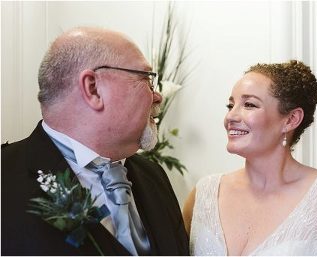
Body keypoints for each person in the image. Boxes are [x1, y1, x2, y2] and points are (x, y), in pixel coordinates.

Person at [1, 27, 189, 255]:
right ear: (93, 89)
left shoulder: (154, 175)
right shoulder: (6, 177)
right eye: (146, 79)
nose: (157, 96)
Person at [183, 60, 317, 256]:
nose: (230, 116)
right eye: (230, 105)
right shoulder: (204, 194)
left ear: (291, 120)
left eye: (249, 105)